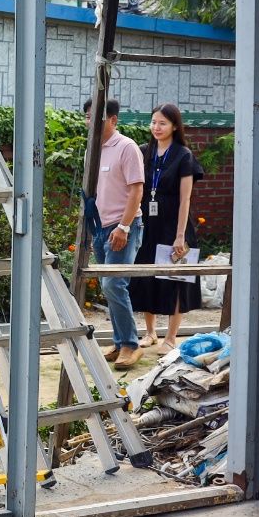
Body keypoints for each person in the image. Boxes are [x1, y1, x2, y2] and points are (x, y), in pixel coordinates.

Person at [128, 103, 205, 353]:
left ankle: (171, 337)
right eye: (153, 122)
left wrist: (180, 235)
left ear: (174, 126)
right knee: (146, 275)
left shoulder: (183, 155)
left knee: (175, 278)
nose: (156, 127)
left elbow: (186, 199)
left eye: (162, 123)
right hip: (147, 223)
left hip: (174, 225)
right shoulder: (142, 152)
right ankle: (150, 332)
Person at [90, 99, 147, 370]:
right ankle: (119, 340)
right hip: (100, 227)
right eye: (88, 117)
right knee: (107, 286)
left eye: (97, 117)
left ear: (113, 120)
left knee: (114, 284)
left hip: (123, 227)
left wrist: (123, 227)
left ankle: (130, 345)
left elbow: (137, 189)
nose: (91, 122)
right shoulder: (95, 149)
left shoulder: (126, 147)